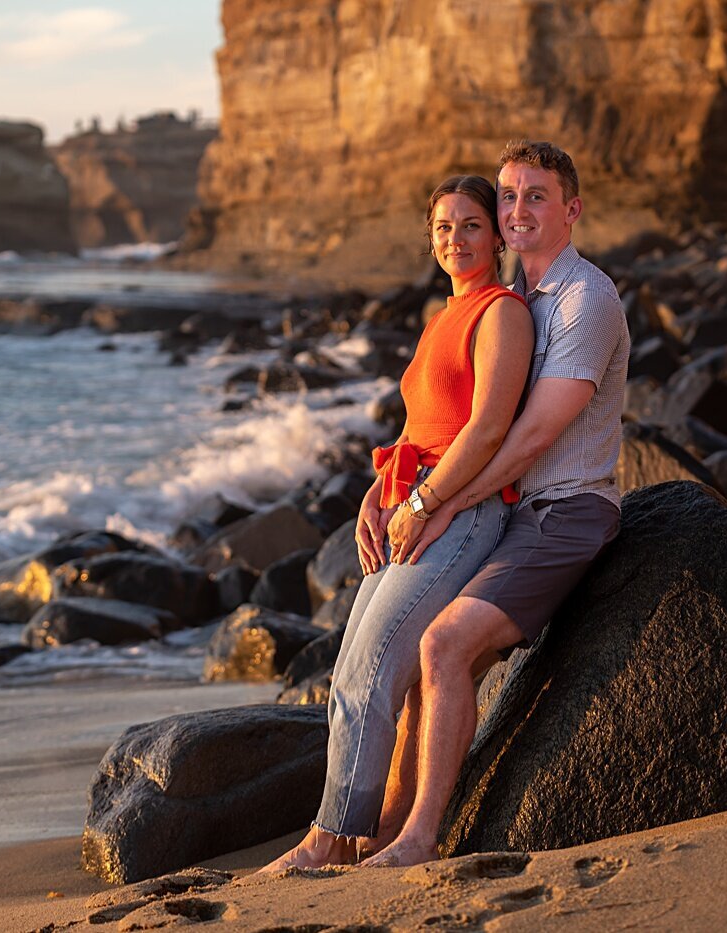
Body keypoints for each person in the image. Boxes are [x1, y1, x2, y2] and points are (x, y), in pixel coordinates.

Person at [363, 140, 629, 868]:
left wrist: (440, 499)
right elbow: (447, 415)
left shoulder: (585, 299)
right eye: (508, 196)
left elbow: (533, 432)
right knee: (425, 651)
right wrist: (389, 489)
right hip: (512, 512)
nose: (517, 210)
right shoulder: (517, 300)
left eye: (536, 196)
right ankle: (378, 830)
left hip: (566, 513)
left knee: (444, 645)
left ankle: (420, 837)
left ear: (571, 209)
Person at [259, 174, 535, 871]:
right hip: (418, 506)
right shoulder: (441, 316)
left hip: (463, 514)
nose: (456, 238)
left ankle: (327, 839)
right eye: (444, 227)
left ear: (497, 236)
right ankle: (355, 833)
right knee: (355, 667)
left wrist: (423, 503)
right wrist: (376, 494)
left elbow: (488, 429)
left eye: (471, 224)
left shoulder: (501, 313)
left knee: (376, 665)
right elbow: (421, 428)